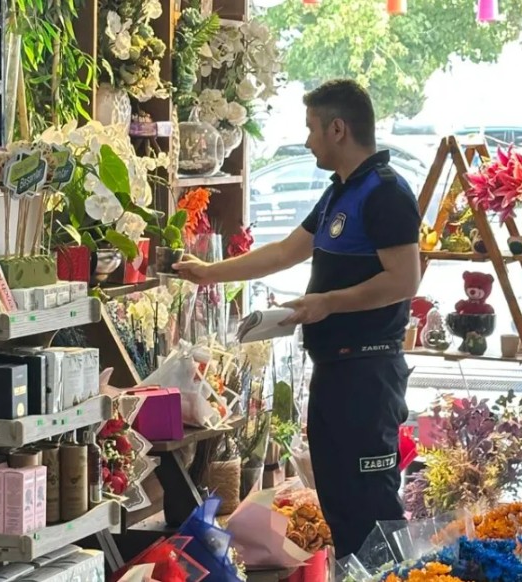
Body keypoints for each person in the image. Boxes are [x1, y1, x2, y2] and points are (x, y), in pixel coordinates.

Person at [174, 79, 422, 558]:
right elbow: (287, 251)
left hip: (369, 375)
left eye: (311, 129)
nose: (307, 141)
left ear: (337, 129)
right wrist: (208, 273)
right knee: (340, 507)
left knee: (371, 511)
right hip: (334, 372)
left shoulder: (385, 193)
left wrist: (327, 302)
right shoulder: (338, 193)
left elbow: (403, 280)